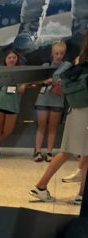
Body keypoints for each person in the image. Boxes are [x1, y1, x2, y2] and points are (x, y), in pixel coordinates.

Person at [30, 34, 88, 204]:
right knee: (70, 152)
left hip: (75, 109)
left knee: (72, 152)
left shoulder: (79, 59)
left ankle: (79, 194)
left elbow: (58, 78)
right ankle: (43, 186)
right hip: (85, 111)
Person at [33, 41, 72, 162]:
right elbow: (37, 80)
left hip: (58, 99)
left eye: (61, 53)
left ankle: (49, 152)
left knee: (53, 127)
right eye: (56, 53)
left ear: (64, 53)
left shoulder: (68, 66)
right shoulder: (46, 65)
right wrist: (45, 81)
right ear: (52, 53)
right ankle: (37, 151)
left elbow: (70, 82)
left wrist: (61, 83)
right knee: (41, 125)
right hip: (43, 98)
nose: (59, 56)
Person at [0, 49, 27, 161]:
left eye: (14, 57)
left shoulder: (21, 72)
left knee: (8, 130)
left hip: (13, 103)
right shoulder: (1, 71)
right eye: (9, 58)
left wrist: (23, 85)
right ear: (5, 60)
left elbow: (23, 87)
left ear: (17, 59)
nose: (11, 60)